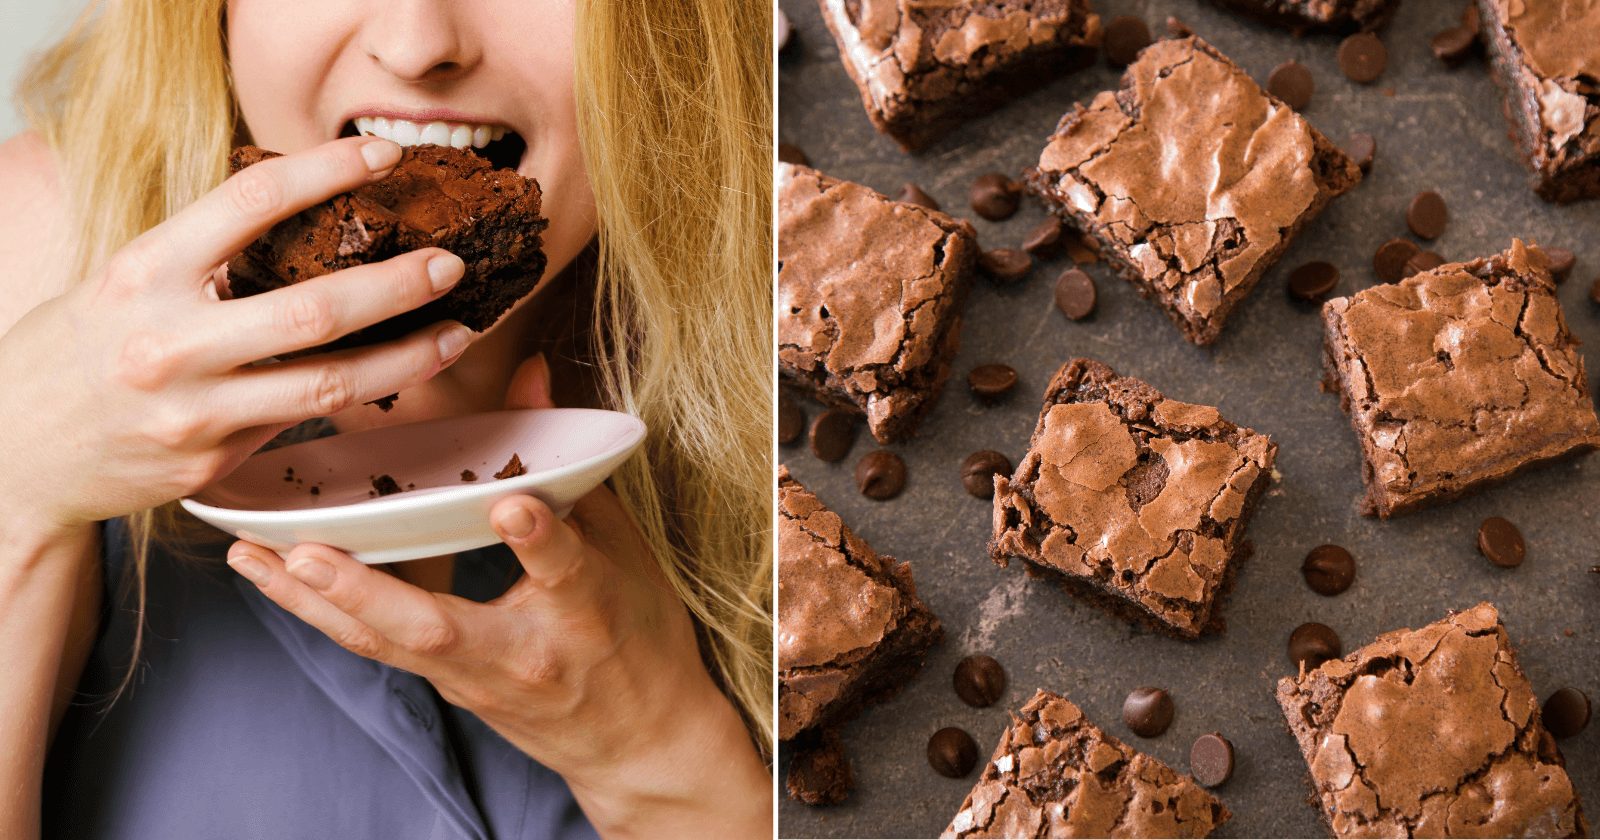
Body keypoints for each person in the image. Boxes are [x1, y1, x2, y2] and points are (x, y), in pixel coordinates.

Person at [0, 1, 772, 837]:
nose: (415, 46)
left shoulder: (806, 301)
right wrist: (16, 497)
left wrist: (660, 767)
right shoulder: (42, 251)